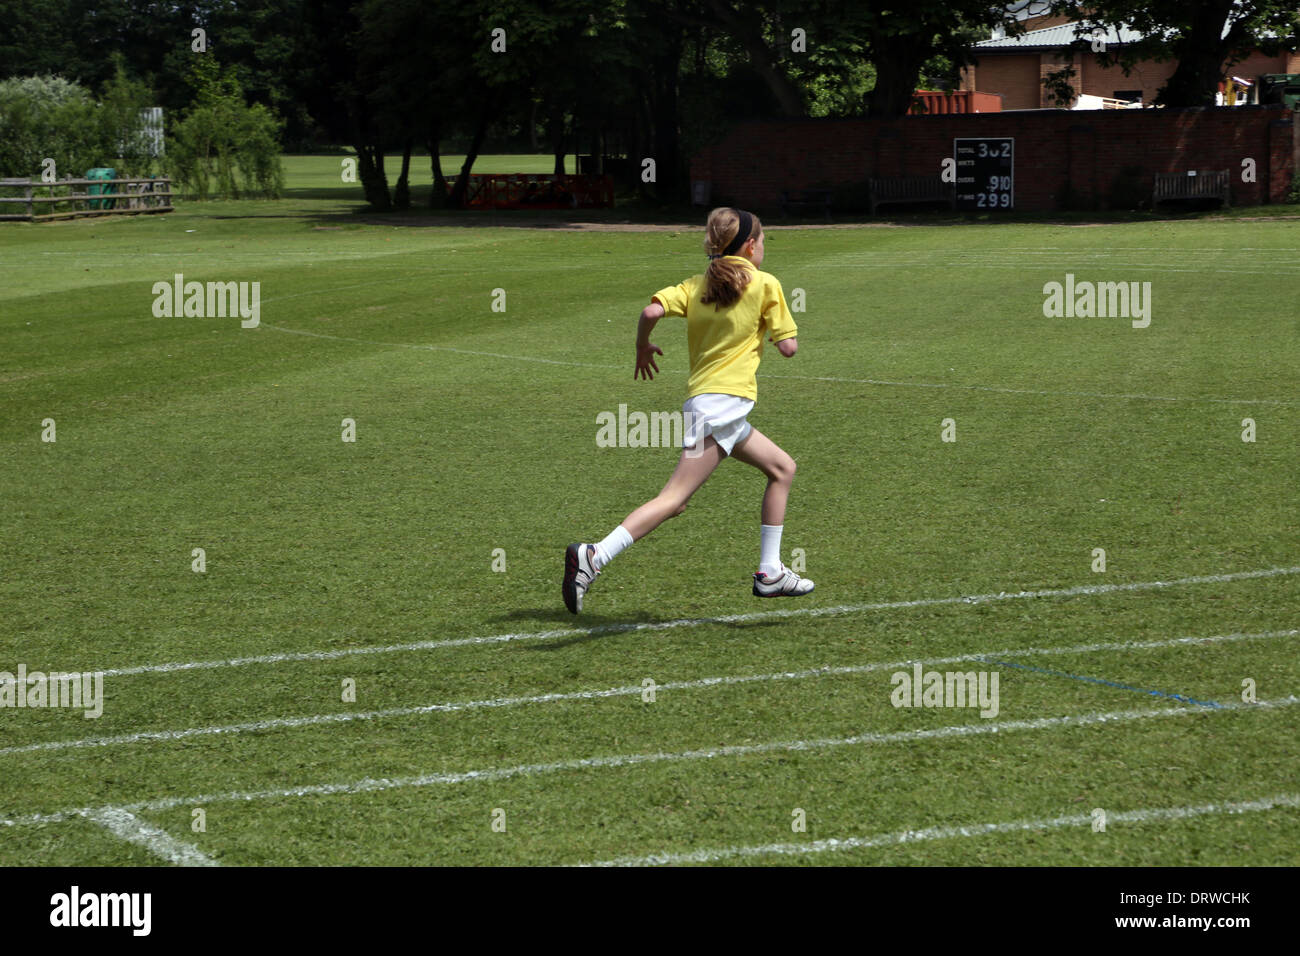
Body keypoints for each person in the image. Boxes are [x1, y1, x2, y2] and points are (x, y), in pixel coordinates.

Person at [563, 207, 814, 614]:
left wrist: (642, 346)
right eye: (764, 241)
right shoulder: (767, 285)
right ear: (750, 246)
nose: (764, 249)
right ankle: (594, 556)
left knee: (782, 468)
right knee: (674, 498)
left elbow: (650, 312)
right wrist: (773, 331)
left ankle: (770, 572)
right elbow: (788, 348)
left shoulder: (697, 285)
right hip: (724, 407)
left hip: (711, 406)